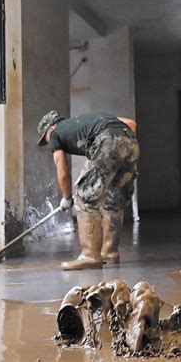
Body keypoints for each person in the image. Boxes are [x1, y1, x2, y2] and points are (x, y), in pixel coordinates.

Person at [37, 110, 139, 270]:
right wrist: (121, 145)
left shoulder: (56, 134)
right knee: (114, 199)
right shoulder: (88, 119)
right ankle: (109, 253)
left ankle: (90, 255)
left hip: (108, 141)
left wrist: (67, 197)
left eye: (46, 139)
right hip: (131, 144)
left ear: (50, 128)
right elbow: (131, 124)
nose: (49, 143)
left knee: (84, 195)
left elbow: (63, 173)